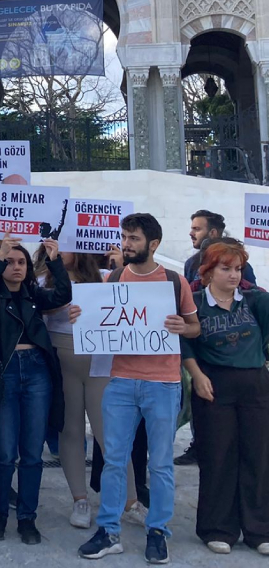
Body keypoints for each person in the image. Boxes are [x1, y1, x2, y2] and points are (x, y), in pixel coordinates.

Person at [78, 213, 200, 564]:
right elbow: (97, 319)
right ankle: (108, 531)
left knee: (161, 463)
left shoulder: (175, 282)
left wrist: (181, 326)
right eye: (125, 237)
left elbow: (194, 328)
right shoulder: (114, 278)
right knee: (114, 460)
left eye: (133, 238)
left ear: (153, 244)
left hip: (163, 384)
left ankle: (158, 531)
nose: (126, 244)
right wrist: (79, 316)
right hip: (120, 382)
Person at [35, 250, 144, 530]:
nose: (58, 251)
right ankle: (79, 500)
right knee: (69, 431)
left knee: (110, 434)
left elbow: (135, 304)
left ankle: (130, 500)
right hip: (62, 360)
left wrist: (123, 268)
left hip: (100, 362)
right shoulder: (40, 279)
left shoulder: (106, 277)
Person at [0, 235, 69, 545]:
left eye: (21, 262)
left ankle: (27, 519)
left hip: (37, 372)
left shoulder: (33, 293)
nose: (16, 267)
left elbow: (63, 295)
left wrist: (54, 261)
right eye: (10, 262)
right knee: (2, 453)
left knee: (32, 453)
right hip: (6, 374)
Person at [182, 241, 269, 555]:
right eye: (226, 268)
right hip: (213, 383)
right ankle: (217, 528)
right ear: (208, 271)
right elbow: (185, 344)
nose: (234, 275)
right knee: (218, 456)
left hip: (255, 384)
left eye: (237, 269)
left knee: (257, 456)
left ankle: (259, 530)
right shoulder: (194, 302)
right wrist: (198, 375)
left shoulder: (257, 301)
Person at [184, 210, 256, 285]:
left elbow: (253, 294)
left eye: (197, 229)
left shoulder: (241, 265)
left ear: (213, 233)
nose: (191, 233)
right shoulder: (191, 263)